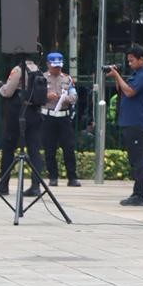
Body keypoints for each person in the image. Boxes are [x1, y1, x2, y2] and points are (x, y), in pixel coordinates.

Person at [0, 57, 44, 198]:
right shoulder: (39, 71)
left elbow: (8, 92)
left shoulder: (18, 70)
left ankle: (3, 184)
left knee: (8, 147)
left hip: (18, 112)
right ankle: (35, 186)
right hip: (34, 113)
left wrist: (2, 86)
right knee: (34, 150)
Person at [108, 44, 143, 206]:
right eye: (128, 61)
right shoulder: (136, 74)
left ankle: (140, 195)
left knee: (139, 159)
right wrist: (116, 77)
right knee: (134, 159)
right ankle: (136, 193)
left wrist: (118, 76)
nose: (130, 63)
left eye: (132, 60)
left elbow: (129, 92)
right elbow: (122, 91)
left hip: (136, 121)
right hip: (128, 121)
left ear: (141, 59)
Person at [40, 51, 80, 187]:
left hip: (64, 117)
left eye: (59, 66)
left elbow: (74, 97)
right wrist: (46, 96)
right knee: (49, 148)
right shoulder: (42, 78)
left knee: (68, 147)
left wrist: (65, 99)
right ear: (48, 64)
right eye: (54, 66)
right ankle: (53, 177)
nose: (57, 69)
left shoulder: (67, 79)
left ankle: (72, 177)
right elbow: (35, 96)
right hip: (48, 117)